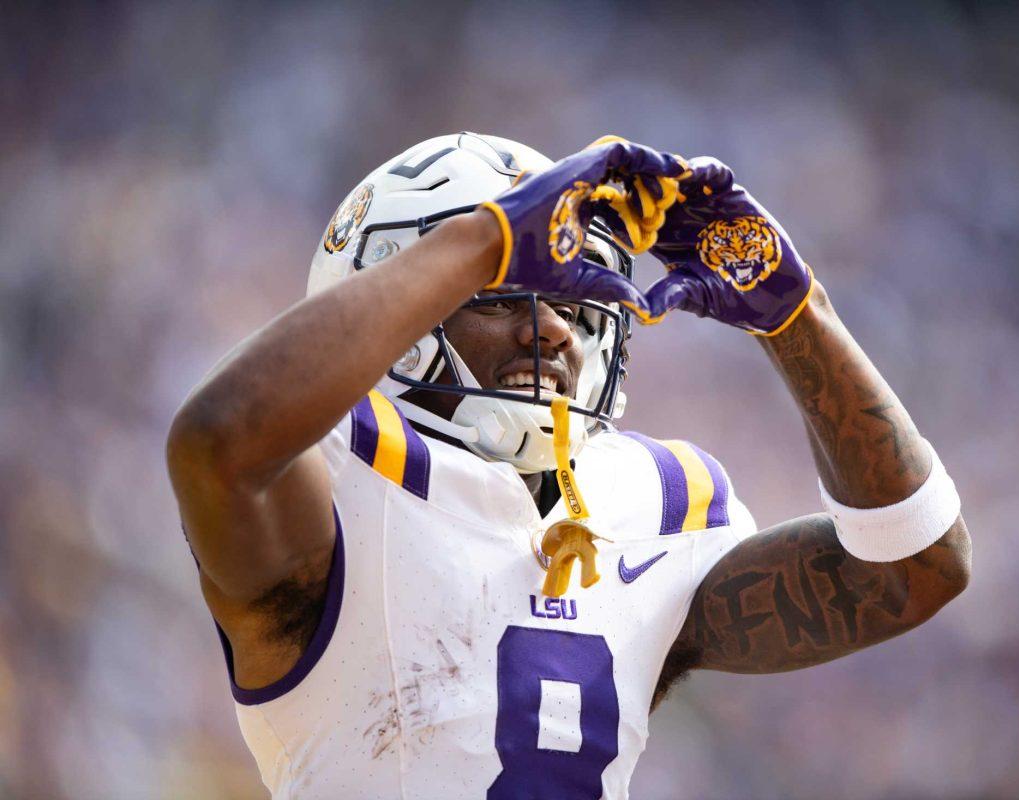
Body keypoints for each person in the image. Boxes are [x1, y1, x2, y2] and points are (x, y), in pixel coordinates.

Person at [166, 132, 972, 799]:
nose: (554, 331)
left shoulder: (648, 503)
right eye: (501, 293)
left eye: (573, 302)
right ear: (395, 300)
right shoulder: (338, 480)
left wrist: (797, 313)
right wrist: (486, 238)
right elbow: (216, 444)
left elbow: (915, 568)